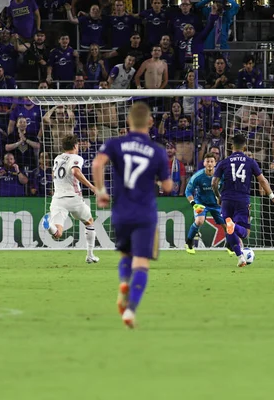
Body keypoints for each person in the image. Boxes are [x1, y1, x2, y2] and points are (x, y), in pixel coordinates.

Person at [91, 102, 172, 328]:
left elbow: (97, 164)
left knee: (126, 256)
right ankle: (130, 311)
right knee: (141, 261)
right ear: (149, 122)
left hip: (121, 213)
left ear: (128, 121)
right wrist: (161, 178)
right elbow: (167, 187)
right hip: (144, 213)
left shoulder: (116, 143)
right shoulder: (157, 150)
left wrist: (101, 192)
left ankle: (124, 282)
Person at [211, 133, 274, 267]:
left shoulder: (224, 162)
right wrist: (272, 196)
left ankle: (240, 257)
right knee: (244, 233)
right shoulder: (250, 162)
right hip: (242, 199)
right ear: (244, 147)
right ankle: (235, 229)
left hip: (226, 199)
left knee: (229, 229)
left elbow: (214, 183)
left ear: (232, 146)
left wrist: (218, 197)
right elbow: (262, 180)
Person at [42, 134, 99, 263]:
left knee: (57, 234)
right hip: (73, 198)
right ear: (75, 146)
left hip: (58, 198)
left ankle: (49, 226)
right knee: (89, 222)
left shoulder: (57, 158)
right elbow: (75, 171)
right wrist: (91, 187)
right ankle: (90, 255)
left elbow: (54, 175)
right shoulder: (76, 158)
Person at [184, 152, 231, 255]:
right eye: (207, 161)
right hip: (201, 203)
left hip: (216, 204)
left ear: (215, 163)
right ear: (204, 163)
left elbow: (227, 187)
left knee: (227, 225)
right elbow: (188, 191)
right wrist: (194, 204)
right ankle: (188, 242)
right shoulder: (198, 176)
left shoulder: (221, 176)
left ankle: (229, 245)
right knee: (199, 221)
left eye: (212, 161)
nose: (209, 164)